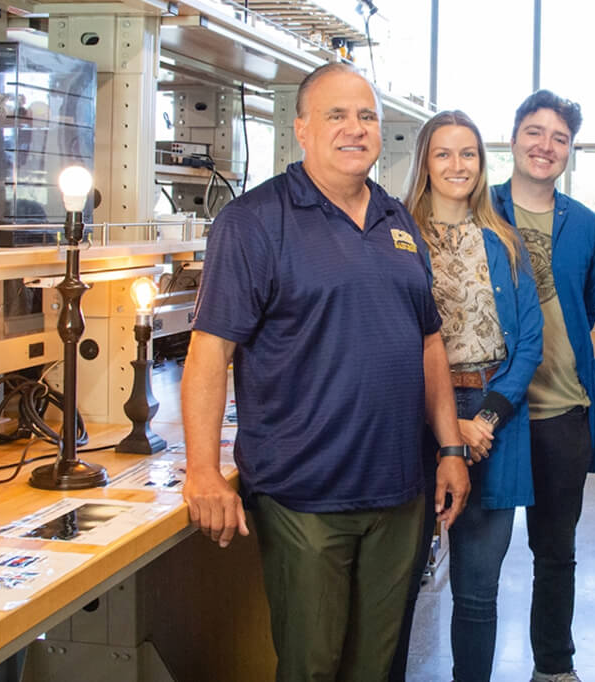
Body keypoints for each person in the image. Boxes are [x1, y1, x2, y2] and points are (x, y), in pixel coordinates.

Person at [181, 63, 470, 681]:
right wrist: (202, 471)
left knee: (378, 666)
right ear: (302, 128)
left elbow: (428, 344)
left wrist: (448, 447)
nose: (355, 129)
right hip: (304, 495)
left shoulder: (399, 223)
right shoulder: (256, 221)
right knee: (312, 666)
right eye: (336, 115)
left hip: (398, 490)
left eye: (366, 116)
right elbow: (210, 353)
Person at [401, 110, 544, 682]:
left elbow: (528, 342)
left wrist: (482, 418)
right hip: (413, 423)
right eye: (443, 153)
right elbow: (391, 340)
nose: (457, 165)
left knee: (478, 594)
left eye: (469, 154)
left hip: (495, 424)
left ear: (483, 165)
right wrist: (445, 428)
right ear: (425, 163)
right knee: (399, 586)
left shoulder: (505, 241)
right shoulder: (397, 235)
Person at [491, 90, 595, 682]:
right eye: (535, 132)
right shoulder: (479, 209)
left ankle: (553, 666)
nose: (546, 146)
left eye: (559, 137)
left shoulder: (586, 225)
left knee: (555, 552)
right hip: (488, 415)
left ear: (569, 150)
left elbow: (586, 306)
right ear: (513, 139)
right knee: (479, 556)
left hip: (561, 411)